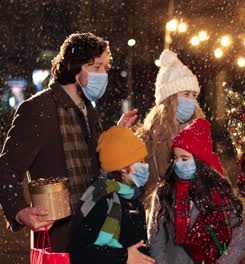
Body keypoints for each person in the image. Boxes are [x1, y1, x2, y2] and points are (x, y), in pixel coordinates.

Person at [0, 32, 137, 252]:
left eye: (105, 68)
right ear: (75, 68)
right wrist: (20, 211)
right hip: (59, 238)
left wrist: (117, 138)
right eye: (96, 68)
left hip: (95, 235)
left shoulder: (89, 112)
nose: (104, 74)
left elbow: (99, 172)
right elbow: (6, 169)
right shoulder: (38, 109)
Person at [149, 118, 245, 264]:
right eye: (175, 158)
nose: (179, 164)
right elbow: (156, 241)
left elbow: (240, 237)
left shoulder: (218, 193)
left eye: (185, 158)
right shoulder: (165, 192)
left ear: (199, 160)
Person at [70, 126, 154, 264]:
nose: (145, 167)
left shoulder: (134, 197)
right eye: (140, 162)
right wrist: (123, 257)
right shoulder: (100, 198)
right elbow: (79, 252)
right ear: (122, 167)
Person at [138, 49, 205, 208]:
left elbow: (217, 176)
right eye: (186, 94)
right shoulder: (147, 141)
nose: (191, 100)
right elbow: (140, 188)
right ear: (169, 99)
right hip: (160, 219)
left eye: (193, 95)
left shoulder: (199, 134)